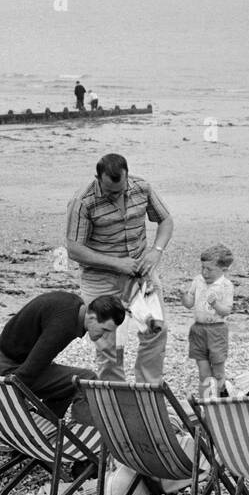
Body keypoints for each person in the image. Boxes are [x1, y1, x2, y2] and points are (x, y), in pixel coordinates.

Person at [65, 153, 174, 385]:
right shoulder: (83, 201)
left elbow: (165, 221)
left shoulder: (141, 187)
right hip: (100, 279)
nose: (117, 196)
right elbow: (74, 249)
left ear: (127, 175)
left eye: (121, 189)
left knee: (155, 330)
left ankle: (149, 388)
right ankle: (117, 395)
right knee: (108, 344)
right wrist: (117, 263)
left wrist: (156, 251)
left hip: (140, 274)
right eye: (110, 192)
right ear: (98, 177)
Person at [0, 290, 125, 422]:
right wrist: (1, 403)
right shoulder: (63, 326)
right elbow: (25, 374)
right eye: (105, 329)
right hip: (9, 369)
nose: (106, 335)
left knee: (70, 382)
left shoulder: (74, 305)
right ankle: (83, 436)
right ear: (92, 317)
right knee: (85, 380)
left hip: (9, 358)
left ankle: (45, 425)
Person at [181, 244, 235, 400]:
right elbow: (189, 303)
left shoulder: (226, 285)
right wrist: (184, 296)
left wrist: (215, 304)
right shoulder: (198, 280)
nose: (204, 272)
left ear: (223, 270)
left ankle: (222, 397)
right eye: (202, 268)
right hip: (198, 330)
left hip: (217, 330)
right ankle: (205, 403)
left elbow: (226, 311)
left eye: (209, 269)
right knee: (203, 372)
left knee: (218, 371)